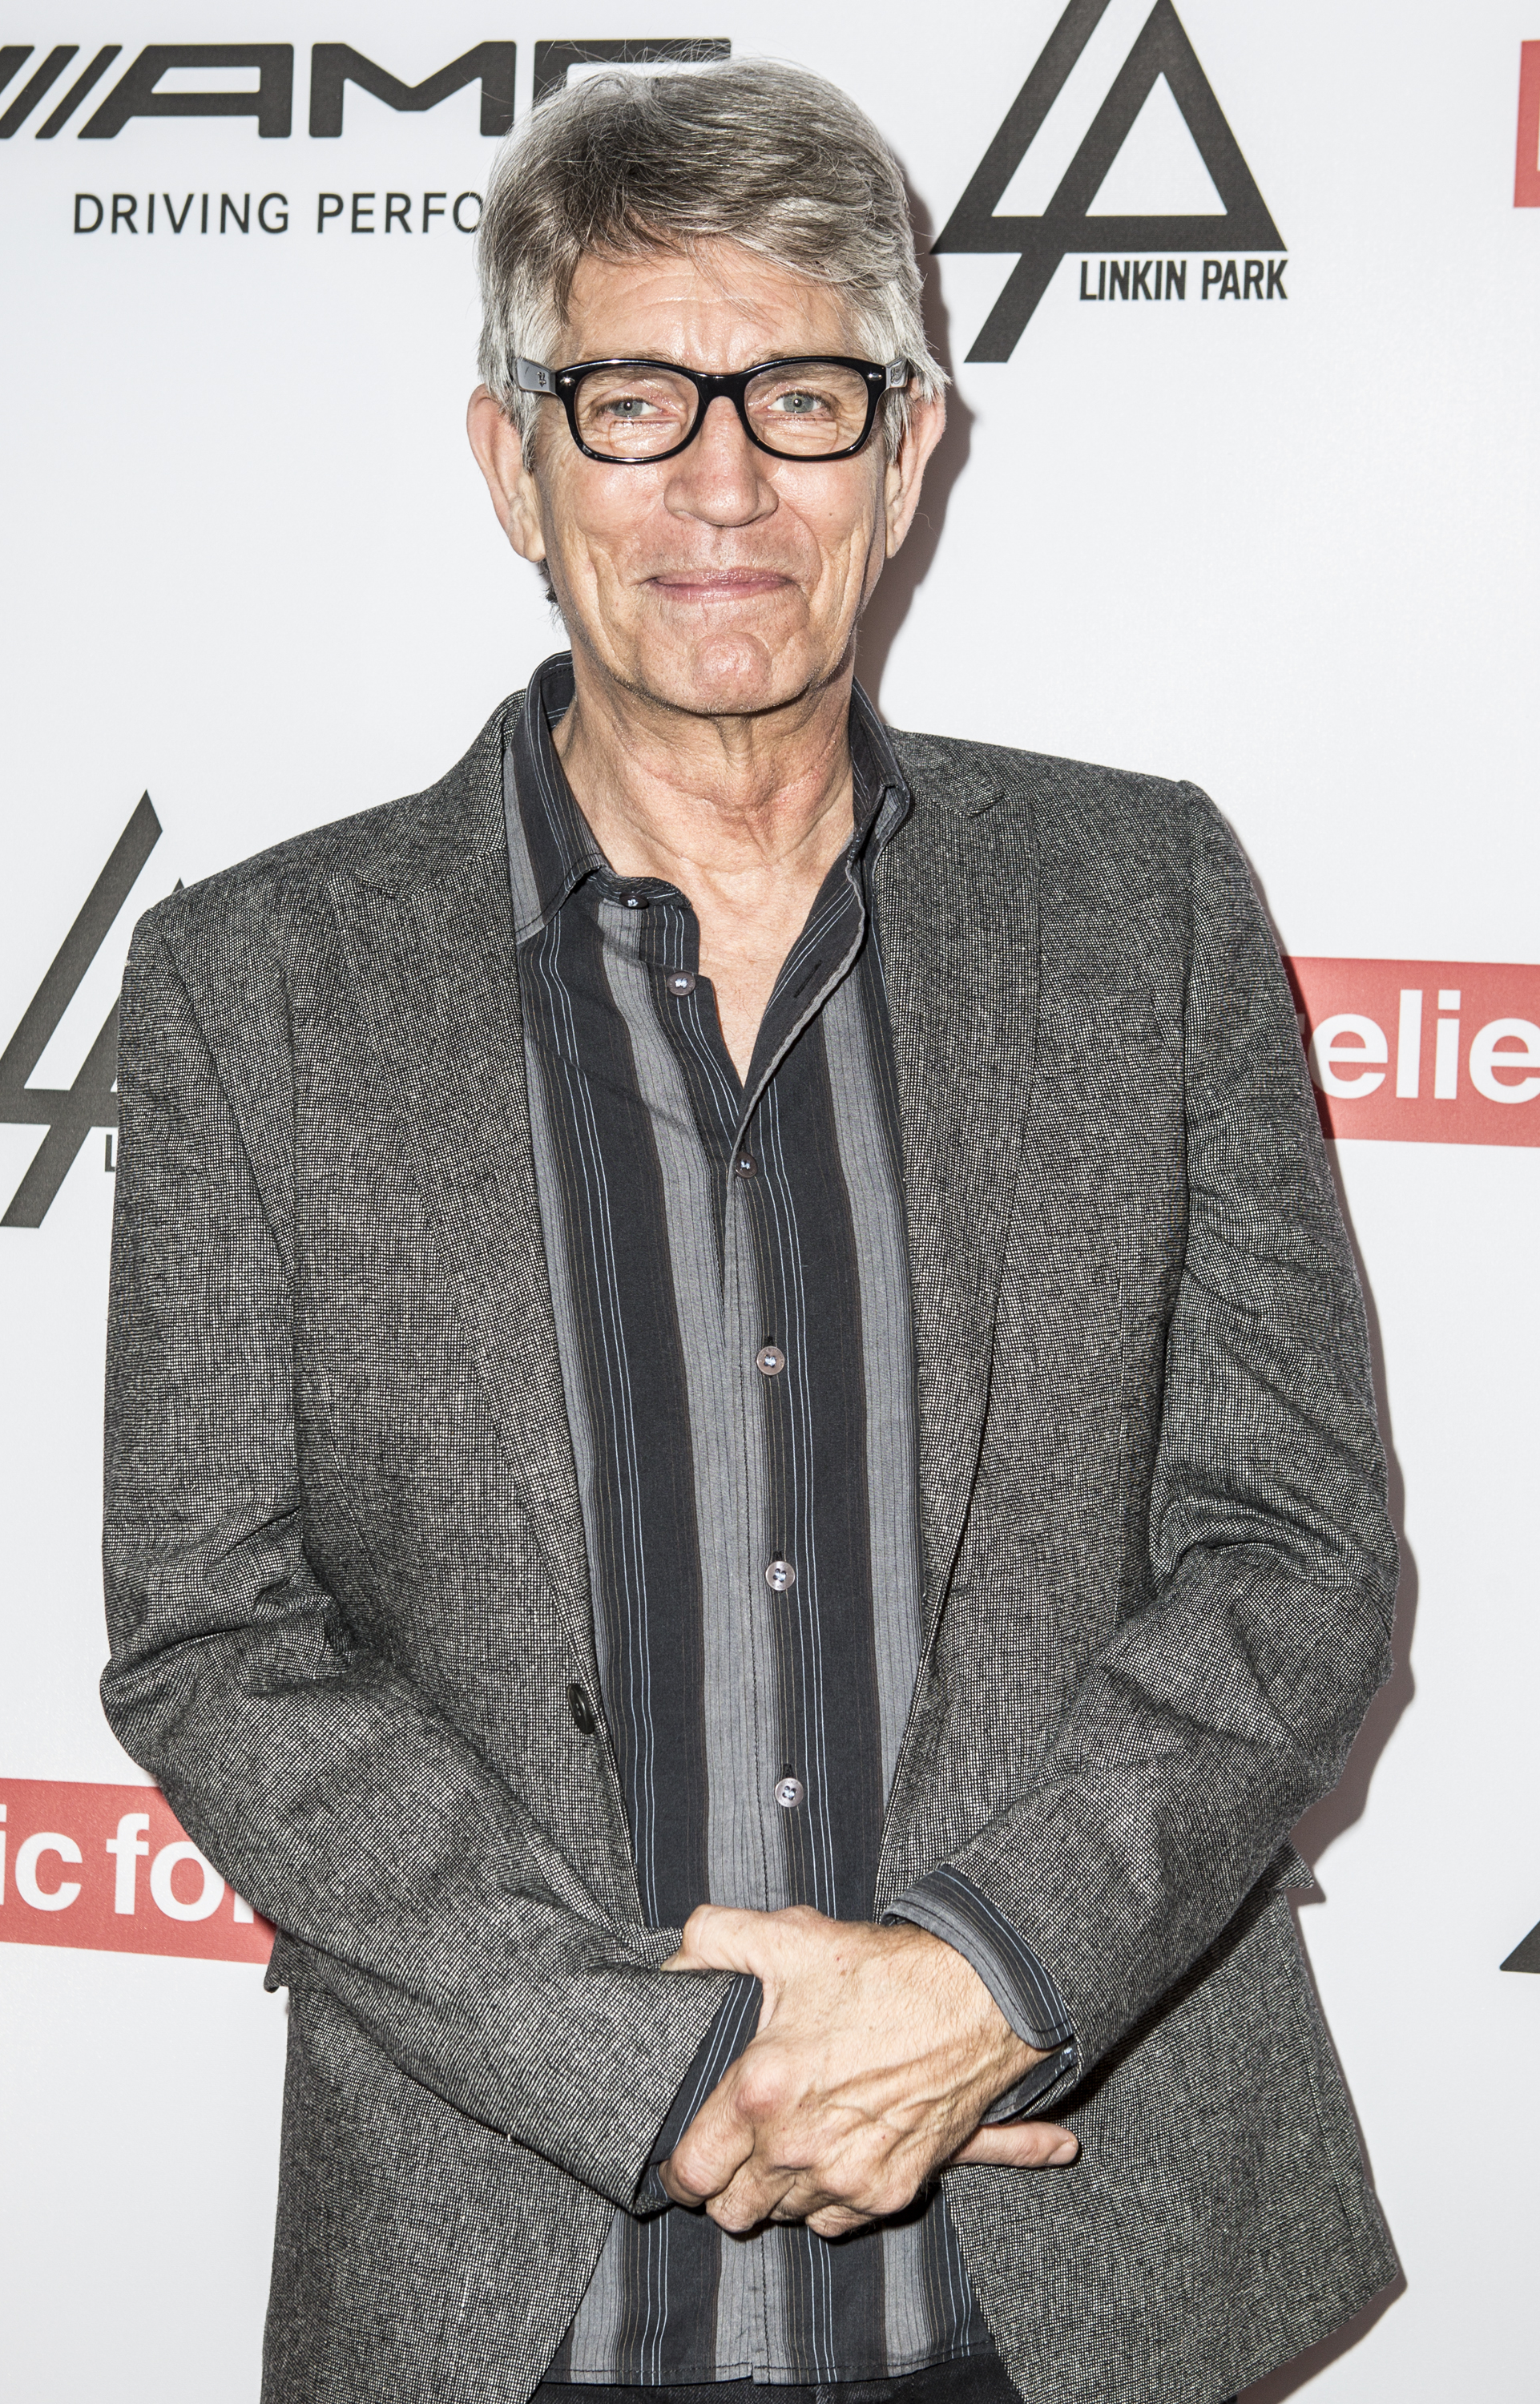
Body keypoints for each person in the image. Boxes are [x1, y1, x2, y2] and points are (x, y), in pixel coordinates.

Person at [101, 58, 1400, 2404]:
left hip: (1071, 2273)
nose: (721, 480)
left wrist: (986, 1984)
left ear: (908, 452)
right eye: (630, 397)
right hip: (515, 2283)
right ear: (512, 459)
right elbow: (212, 1634)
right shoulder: (252, 989)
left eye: (799, 392)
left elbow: (1296, 1541)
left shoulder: (1146, 907)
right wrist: (662, 2064)